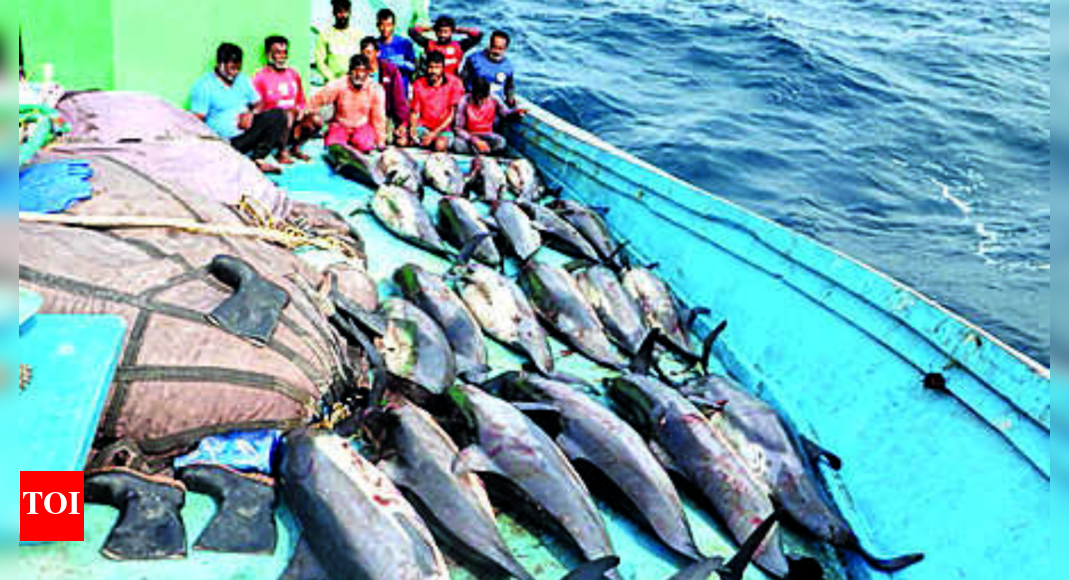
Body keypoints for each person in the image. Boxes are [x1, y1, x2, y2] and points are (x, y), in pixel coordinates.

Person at [191, 42, 286, 174]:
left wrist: (251, 114)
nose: (234, 73)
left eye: (237, 68)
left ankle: (258, 158)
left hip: (247, 135)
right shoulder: (204, 85)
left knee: (278, 115)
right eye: (231, 69)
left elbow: (259, 103)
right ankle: (238, 160)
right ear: (220, 64)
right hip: (226, 142)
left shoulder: (243, 79)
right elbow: (196, 120)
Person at [253, 35, 321, 164]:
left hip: (294, 122)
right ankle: (281, 152)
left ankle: (296, 148)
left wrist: (301, 111)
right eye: (278, 52)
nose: (282, 56)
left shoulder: (293, 74)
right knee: (287, 114)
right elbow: (256, 109)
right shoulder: (260, 77)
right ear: (268, 54)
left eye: (285, 52)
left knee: (316, 120)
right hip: (275, 125)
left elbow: (301, 100)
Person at [309, 54, 387, 154]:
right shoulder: (338, 84)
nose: (359, 75)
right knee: (334, 148)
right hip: (340, 125)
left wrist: (381, 141)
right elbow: (316, 101)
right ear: (350, 72)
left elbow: (378, 117)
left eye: (363, 71)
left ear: (368, 73)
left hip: (362, 126)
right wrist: (310, 121)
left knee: (366, 146)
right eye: (356, 70)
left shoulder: (375, 89)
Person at [409, 51, 465, 153]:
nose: (433, 71)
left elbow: (452, 115)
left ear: (443, 68)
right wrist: (412, 129)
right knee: (402, 141)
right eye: (430, 67)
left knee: (439, 145)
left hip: (443, 130)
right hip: (423, 127)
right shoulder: (418, 84)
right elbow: (414, 111)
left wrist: (433, 134)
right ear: (426, 68)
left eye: (437, 67)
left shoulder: (454, 83)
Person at [454, 77, 526, 155]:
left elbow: (505, 113)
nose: (480, 102)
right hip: (469, 136)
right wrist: (475, 140)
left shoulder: (494, 99)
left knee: (501, 142)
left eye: (483, 98)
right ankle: (480, 151)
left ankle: (483, 151)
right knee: (458, 145)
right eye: (478, 98)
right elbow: (458, 128)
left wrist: (515, 112)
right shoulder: (464, 101)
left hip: (487, 135)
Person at [360, 37, 410, 146]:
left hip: (384, 115)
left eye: (369, 53)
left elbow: (399, 99)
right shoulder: (358, 71)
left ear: (377, 53)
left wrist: (402, 123)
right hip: (363, 116)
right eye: (363, 53)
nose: (366, 56)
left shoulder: (390, 70)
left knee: (397, 141)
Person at [409, 15, 483, 77]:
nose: (442, 35)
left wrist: (458, 29)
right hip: (432, 80)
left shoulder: (460, 46)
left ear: (451, 32)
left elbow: (478, 35)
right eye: (440, 31)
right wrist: (431, 28)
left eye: (446, 32)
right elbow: (412, 31)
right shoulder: (429, 44)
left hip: (452, 82)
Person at [462, 30, 517, 108]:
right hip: (474, 104)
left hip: (496, 105)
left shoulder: (508, 66)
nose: (496, 51)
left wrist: (510, 99)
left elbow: (509, 86)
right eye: (494, 47)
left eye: (500, 48)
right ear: (489, 44)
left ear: (506, 48)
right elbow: (462, 81)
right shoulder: (474, 59)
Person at [314, 0, 363, 83]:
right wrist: (332, 79)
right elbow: (319, 61)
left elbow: (363, 61)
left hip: (353, 84)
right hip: (332, 84)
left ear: (350, 12)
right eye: (339, 12)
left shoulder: (358, 35)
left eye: (345, 12)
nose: (343, 15)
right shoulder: (325, 35)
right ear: (334, 13)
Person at [376, 8, 417, 90]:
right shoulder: (374, 45)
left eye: (388, 25)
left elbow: (414, 68)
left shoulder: (405, 43)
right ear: (377, 25)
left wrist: (401, 64)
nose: (385, 29)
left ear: (393, 26)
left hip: (401, 90)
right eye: (382, 25)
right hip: (382, 91)